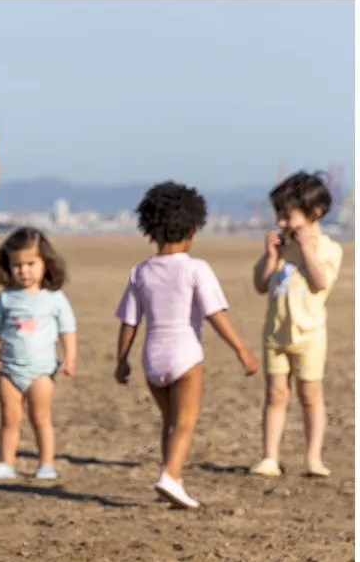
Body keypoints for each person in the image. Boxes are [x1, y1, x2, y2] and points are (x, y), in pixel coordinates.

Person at [114, 181, 259, 508]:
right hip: (185, 354)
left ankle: (172, 480)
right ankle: (170, 475)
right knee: (186, 421)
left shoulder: (140, 272)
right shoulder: (196, 269)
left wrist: (121, 360)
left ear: (150, 228)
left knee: (169, 421)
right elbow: (215, 314)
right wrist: (242, 351)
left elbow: (129, 322)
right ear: (194, 228)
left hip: (151, 358)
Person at [250, 171, 344, 477]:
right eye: (279, 215)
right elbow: (261, 285)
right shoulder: (279, 250)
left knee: (310, 395)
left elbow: (320, 283)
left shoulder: (329, 249)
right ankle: (270, 457)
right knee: (276, 394)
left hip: (309, 335)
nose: (281, 223)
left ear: (314, 214)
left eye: (287, 216)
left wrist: (305, 248)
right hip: (275, 334)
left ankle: (313, 457)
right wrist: (270, 256)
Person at [0, 228, 77, 481]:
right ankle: (6, 462)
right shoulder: (5, 298)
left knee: (41, 418)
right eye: (17, 265)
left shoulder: (54, 298)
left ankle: (46, 463)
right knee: (9, 419)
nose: (24, 270)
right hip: (9, 369)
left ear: (46, 263)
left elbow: (68, 329)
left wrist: (69, 357)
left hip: (41, 372)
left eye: (31, 263)